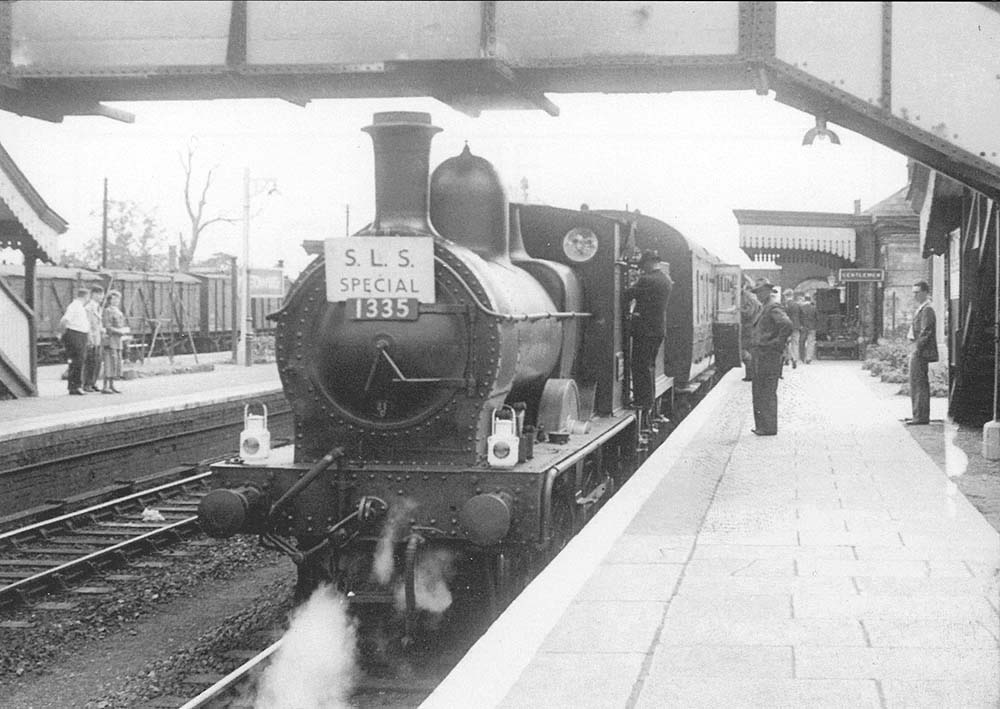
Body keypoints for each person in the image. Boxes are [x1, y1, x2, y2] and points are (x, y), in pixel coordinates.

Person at [624, 250, 673, 429]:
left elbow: (627, 294)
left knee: (640, 365)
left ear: (648, 263)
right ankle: (647, 401)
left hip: (645, 330)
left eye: (643, 265)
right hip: (657, 329)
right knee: (648, 365)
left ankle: (642, 401)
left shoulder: (647, 280)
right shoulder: (665, 279)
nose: (642, 268)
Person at [750, 279, 792, 436]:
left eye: (760, 292)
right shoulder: (765, 307)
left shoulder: (773, 307)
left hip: (768, 355)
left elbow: (787, 324)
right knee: (760, 390)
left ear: (767, 292)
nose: (758, 295)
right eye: (756, 293)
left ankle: (768, 427)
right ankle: (763, 426)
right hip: (762, 355)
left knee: (766, 391)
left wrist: (776, 343)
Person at [905, 280, 938, 425]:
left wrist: (917, 349)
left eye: (917, 292)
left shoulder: (927, 309)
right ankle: (917, 414)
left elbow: (926, 331)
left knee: (919, 384)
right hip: (917, 350)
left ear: (925, 292)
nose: (915, 296)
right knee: (916, 383)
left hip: (920, 352)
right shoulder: (922, 309)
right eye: (913, 293)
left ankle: (920, 416)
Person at [58, 288, 92, 395]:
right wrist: (62, 334)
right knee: (77, 361)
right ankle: (75, 386)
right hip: (75, 334)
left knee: (78, 361)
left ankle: (75, 386)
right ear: (86, 296)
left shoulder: (79, 306)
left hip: (80, 335)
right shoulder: (75, 306)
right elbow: (64, 320)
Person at [101, 290, 130, 394]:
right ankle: (105, 386)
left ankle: (112, 385)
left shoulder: (118, 311)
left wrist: (123, 331)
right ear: (109, 300)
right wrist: (120, 331)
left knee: (116, 362)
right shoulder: (108, 311)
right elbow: (107, 326)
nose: (116, 301)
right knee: (109, 361)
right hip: (110, 340)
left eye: (117, 299)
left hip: (118, 340)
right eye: (114, 299)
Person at [83, 285, 105, 392]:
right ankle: (87, 384)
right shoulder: (89, 308)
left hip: (98, 338)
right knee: (90, 361)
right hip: (91, 338)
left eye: (102, 294)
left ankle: (93, 382)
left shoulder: (97, 307)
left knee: (97, 361)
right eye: (99, 294)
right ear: (93, 294)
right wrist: (89, 337)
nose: (101, 297)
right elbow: (87, 324)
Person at [739, 282, 762, 381]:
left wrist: (738, 310)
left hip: (749, 329)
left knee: (745, 351)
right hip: (751, 328)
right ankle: (751, 374)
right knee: (749, 351)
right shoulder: (754, 299)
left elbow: (748, 313)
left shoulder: (750, 298)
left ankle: (751, 374)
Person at [782, 288, 801, 370]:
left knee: (785, 343)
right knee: (795, 343)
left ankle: (788, 358)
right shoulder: (797, 305)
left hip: (787, 327)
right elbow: (801, 315)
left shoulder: (785, 305)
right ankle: (795, 358)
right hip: (796, 326)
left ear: (786, 296)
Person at [800, 293, 818, 364]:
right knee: (811, 343)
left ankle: (802, 357)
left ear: (804, 300)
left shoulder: (801, 308)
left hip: (803, 327)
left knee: (802, 342)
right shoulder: (814, 308)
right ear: (810, 300)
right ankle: (808, 358)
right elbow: (817, 318)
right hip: (812, 327)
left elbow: (800, 317)